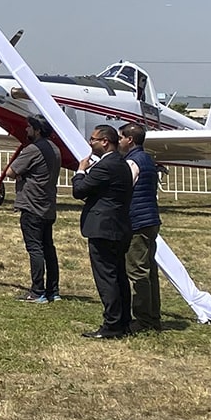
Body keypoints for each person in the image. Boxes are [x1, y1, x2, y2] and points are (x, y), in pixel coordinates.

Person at [72, 124, 135, 339]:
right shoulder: (121, 163)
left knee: (106, 278)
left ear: (105, 142)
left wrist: (81, 170)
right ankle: (123, 321)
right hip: (119, 226)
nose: (90, 143)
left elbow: (79, 190)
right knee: (118, 276)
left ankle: (112, 324)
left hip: (103, 228)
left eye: (93, 139)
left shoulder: (105, 166)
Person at [7, 116, 62, 303]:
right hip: (48, 205)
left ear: (38, 130)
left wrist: (22, 176)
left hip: (32, 205)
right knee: (48, 248)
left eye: (29, 127)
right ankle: (53, 290)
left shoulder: (33, 149)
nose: (26, 129)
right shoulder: (55, 148)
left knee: (35, 248)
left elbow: (11, 171)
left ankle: (37, 291)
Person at [119, 123, 164, 333]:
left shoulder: (132, 161)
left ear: (130, 140)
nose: (119, 141)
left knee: (137, 271)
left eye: (121, 137)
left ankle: (143, 319)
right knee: (149, 270)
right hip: (151, 219)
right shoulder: (147, 159)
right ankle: (153, 316)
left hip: (137, 220)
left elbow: (124, 187)